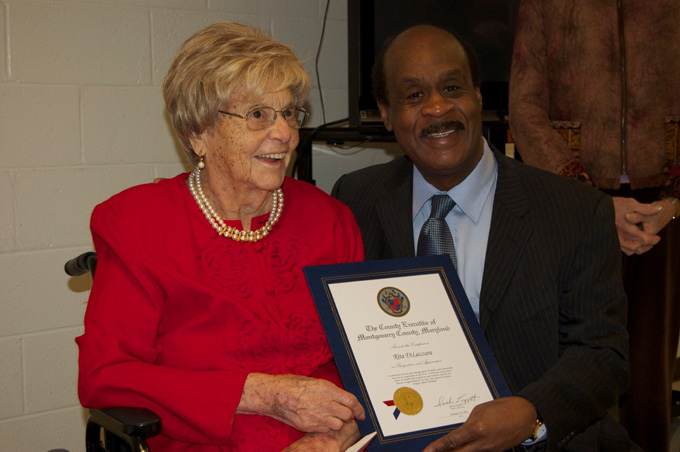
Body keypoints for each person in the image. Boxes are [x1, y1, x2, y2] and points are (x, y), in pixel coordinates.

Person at [332, 25, 633, 451]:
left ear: (478, 95)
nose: (438, 108)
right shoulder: (355, 198)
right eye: (414, 96)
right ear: (385, 112)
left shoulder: (577, 211)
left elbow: (604, 355)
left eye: (452, 87)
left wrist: (532, 413)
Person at [76, 22, 366, 452]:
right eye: (257, 115)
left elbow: (363, 355)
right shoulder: (138, 223)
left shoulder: (331, 219)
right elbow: (106, 375)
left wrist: (336, 434)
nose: (284, 133)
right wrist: (262, 394)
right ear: (199, 134)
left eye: (289, 113)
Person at [508, 2, 680, 451]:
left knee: (649, 373)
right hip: (570, 208)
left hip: (658, 214)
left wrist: (674, 202)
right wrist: (591, 202)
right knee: (569, 365)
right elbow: (524, 110)